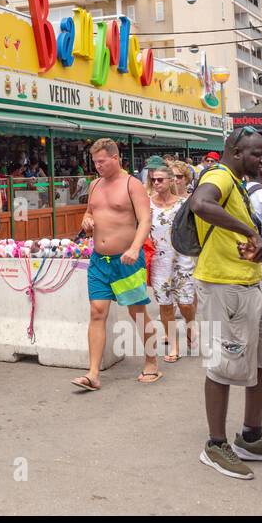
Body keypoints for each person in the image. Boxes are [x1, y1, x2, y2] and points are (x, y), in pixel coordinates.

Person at [188, 126, 262, 479]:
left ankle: (251, 436)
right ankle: (216, 444)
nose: (261, 159)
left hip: (251, 286)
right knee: (223, 365)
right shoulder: (219, 175)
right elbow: (200, 204)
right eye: (255, 153)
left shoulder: (240, 185)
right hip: (224, 287)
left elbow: (249, 250)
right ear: (234, 151)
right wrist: (249, 231)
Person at [71, 139, 159, 391]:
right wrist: (86, 220)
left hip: (126, 260)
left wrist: (134, 248)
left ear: (115, 157)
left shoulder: (132, 184)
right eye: (95, 162)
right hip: (99, 260)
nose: (97, 166)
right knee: (97, 312)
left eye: (101, 161)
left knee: (137, 312)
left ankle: (152, 361)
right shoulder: (95, 184)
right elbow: (89, 212)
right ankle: (93, 373)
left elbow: (144, 221)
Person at [147, 164, 197, 363]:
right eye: (154, 180)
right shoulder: (147, 204)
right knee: (165, 305)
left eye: (160, 179)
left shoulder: (184, 204)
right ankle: (174, 346)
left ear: (170, 181)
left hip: (182, 260)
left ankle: (191, 325)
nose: (157, 183)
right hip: (159, 262)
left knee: (185, 304)